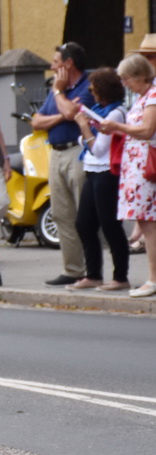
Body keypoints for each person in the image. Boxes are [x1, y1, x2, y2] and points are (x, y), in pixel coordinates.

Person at [30, 42, 96, 287]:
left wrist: (59, 95)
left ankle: (93, 270)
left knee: (84, 214)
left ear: (68, 64)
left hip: (77, 151)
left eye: (56, 62)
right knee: (61, 213)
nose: (52, 66)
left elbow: (73, 113)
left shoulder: (87, 86)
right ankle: (72, 269)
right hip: (56, 153)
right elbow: (36, 122)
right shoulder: (58, 89)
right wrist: (60, 111)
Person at [98, 54, 156, 297]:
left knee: (148, 223)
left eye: (126, 78)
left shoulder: (152, 96)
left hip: (145, 167)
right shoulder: (143, 97)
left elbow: (146, 130)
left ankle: (153, 278)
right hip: (136, 167)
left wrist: (118, 128)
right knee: (144, 222)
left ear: (140, 75)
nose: (124, 84)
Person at [72, 67, 130, 292]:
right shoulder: (98, 110)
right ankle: (93, 274)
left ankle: (120, 276)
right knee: (84, 223)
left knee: (110, 225)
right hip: (92, 171)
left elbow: (98, 148)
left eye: (95, 88)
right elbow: (86, 143)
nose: (92, 92)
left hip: (107, 172)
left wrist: (85, 130)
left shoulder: (115, 113)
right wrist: (86, 135)